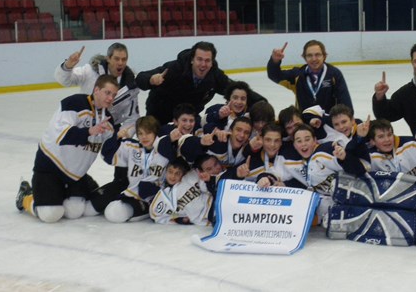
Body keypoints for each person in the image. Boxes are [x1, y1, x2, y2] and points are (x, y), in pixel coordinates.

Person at [15, 75, 119, 223]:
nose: (110, 98)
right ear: (96, 90)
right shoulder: (74, 103)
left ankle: (67, 189)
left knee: (74, 212)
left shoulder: (108, 120)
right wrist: (89, 131)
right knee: (50, 214)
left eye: (114, 95)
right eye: (107, 93)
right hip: (50, 167)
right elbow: (62, 136)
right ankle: (26, 196)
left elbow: (108, 155)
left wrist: (118, 137)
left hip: (75, 174)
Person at [136, 41, 266, 125]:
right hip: (160, 114)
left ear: (212, 61)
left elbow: (235, 89)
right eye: (199, 59)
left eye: (207, 60)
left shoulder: (215, 75)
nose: (203, 64)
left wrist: (261, 103)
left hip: (188, 118)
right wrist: (151, 80)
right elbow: (141, 78)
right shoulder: (175, 68)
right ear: (192, 59)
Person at [89, 115, 176, 218]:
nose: (144, 137)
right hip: (130, 192)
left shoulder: (165, 150)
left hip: (153, 198)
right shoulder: (132, 147)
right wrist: (116, 138)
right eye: (140, 133)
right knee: (90, 208)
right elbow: (107, 156)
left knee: (114, 213)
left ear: (155, 133)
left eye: (148, 133)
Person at [54, 43, 140, 138]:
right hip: (82, 126)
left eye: (124, 59)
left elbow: (132, 118)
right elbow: (66, 81)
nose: (120, 63)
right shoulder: (90, 71)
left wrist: (121, 136)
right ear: (108, 58)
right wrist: (67, 66)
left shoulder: (130, 87)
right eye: (116, 59)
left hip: (108, 131)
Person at [267, 40, 353, 113]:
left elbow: (345, 101)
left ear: (324, 56)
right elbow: (274, 75)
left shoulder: (334, 74)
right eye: (309, 55)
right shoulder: (297, 76)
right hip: (305, 127)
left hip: (329, 123)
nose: (314, 59)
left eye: (317, 55)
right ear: (304, 57)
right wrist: (274, 61)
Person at [105, 157, 190, 223]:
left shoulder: (183, 190)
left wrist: (180, 219)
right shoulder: (160, 181)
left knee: (115, 213)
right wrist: (159, 190)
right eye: (170, 172)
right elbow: (143, 190)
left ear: (184, 175)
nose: (172, 176)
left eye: (177, 173)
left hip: (147, 208)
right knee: (113, 210)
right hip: (133, 199)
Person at [347, 118, 416, 177]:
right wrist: (359, 137)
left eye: (389, 135)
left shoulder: (411, 145)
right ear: (372, 141)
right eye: (381, 136)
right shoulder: (371, 156)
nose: (387, 140)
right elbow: (350, 162)